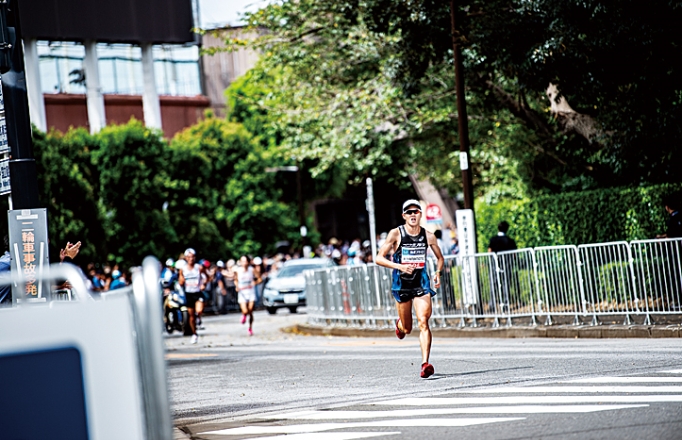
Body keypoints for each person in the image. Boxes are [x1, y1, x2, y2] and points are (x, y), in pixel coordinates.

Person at [375, 199, 444, 379]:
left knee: (424, 322)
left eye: (416, 212)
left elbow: (440, 258)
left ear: (420, 214)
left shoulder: (429, 236)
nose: (413, 215)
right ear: (404, 215)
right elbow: (378, 258)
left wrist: (437, 272)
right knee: (408, 329)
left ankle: (425, 364)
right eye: (409, 212)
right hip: (402, 283)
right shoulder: (395, 234)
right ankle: (400, 325)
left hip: (421, 282)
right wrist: (400, 267)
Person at [178, 248, 205, 344]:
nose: (191, 259)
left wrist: (203, 284)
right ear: (186, 258)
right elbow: (180, 281)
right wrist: (181, 281)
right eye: (189, 257)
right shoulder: (183, 269)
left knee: (199, 310)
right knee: (191, 316)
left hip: (197, 293)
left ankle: (199, 318)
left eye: (193, 257)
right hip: (189, 293)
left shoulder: (199, 267)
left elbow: (206, 277)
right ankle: (194, 334)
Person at [236, 255, 260, 336]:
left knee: (250, 310)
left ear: (248, 262)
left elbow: (259, 279)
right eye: (242, 261)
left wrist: (255, 282)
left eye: (245, 261)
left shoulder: (251, 270)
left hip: (250, 292)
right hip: (242, 293)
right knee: (245, 310)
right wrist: (236, 286)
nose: (244, 263)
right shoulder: (238, 270)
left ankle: (250, 327)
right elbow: (235, 280)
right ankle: (244, 315)